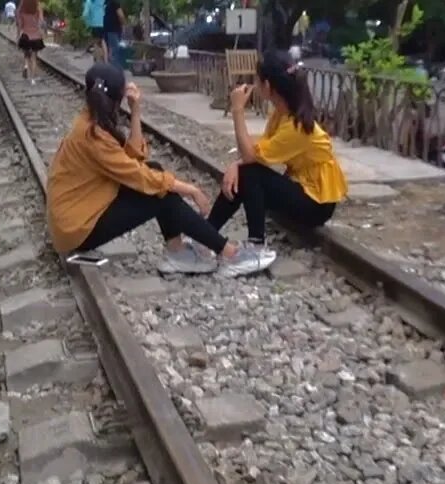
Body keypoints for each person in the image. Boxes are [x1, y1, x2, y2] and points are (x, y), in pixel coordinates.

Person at [47, 64, 277, 278]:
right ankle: (230, 254)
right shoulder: (93, 135)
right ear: (117, 99)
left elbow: (134, 159)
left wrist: (135, 111)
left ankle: (177, 251)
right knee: (161, 193)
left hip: (77, 219)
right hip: (77, 231)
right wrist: (190, 189)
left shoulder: (90, 122)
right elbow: (138, 174)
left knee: (155, 173)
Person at [207, 50, 347, 247]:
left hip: (317, 204)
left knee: (250, 174)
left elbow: (249, 157)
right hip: (302, 187)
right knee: (246, 172)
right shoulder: (281, 113)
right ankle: (206, 235)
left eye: (257, 80)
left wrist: (237, 110)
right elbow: (255, 153)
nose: (254, 84)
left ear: (268, 86)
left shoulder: (297, 126)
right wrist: (236, 165)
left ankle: (255, 246)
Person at [17, 0, 45, 85]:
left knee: (26, 54)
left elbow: (20, 25)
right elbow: (41, 21)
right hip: (36, 36)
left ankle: (26, 66)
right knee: (34, 59)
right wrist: (42, 31)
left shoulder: (22, 11)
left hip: (25, 36)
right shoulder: (37, 7)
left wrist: (18, 35)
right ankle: (32, 79)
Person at [104, 0, 126, 69]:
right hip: (114, 29)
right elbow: (121, 15)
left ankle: (108, 68)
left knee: (108, 50)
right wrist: (123, 24)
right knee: (115, 50)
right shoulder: (115, 3)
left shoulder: (105, 3)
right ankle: (115, 70)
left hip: (105, 29)